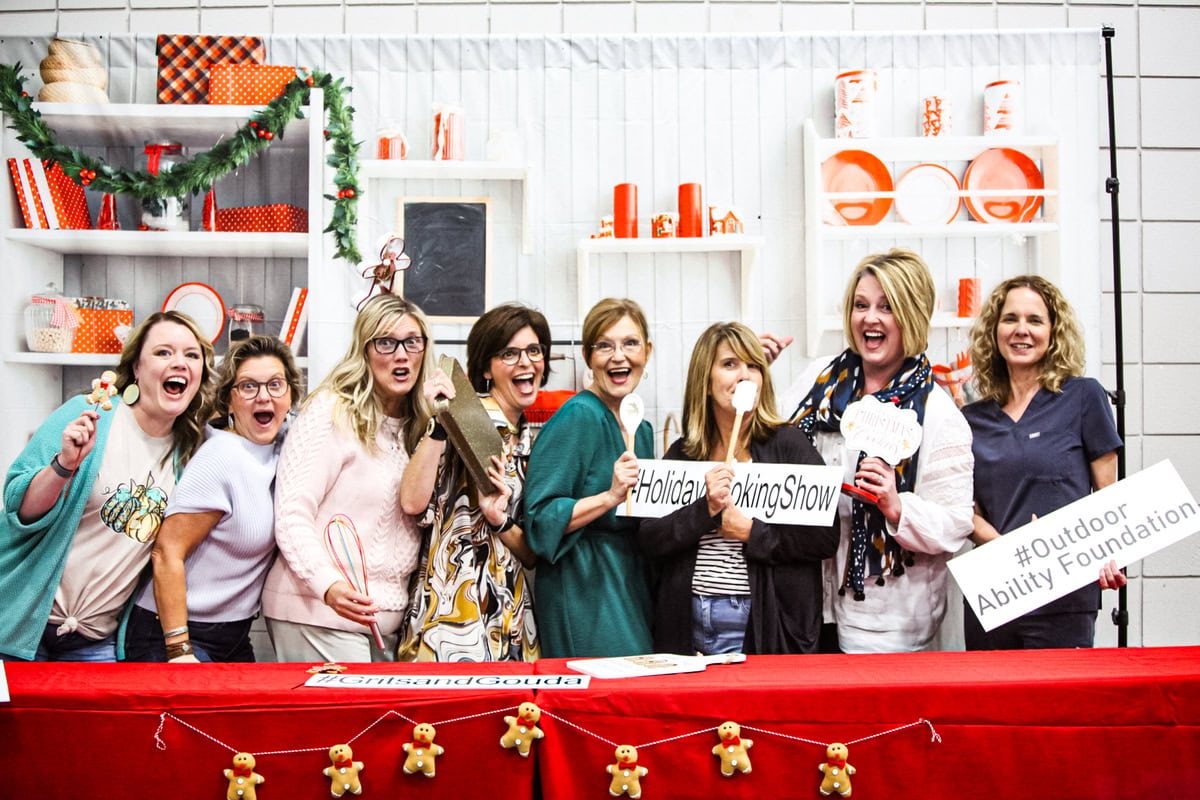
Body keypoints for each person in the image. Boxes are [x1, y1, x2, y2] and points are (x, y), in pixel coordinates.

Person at [783, 248, 974, 653]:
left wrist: (897, 506)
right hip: (805, 601)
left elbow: (955, 524)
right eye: (861, 305)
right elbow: (772, 448)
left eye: (887, 307)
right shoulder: (816, 381)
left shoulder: (938, 415)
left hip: (885, 622)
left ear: (912, 314)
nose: (870, 318)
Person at [0, 311, 215, 662]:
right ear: (136, 368)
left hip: (95, 640)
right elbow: (18, 508)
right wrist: (63, 465)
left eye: (191, 355)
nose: (179, 362)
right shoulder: (89, 413)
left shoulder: (192, 450)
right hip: (21, 624)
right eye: (163, 352)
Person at [638, 322, 839, 655]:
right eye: (730, 364)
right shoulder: (684, 453)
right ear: (705, 381)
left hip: (763, 626)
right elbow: (649, 538)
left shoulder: (788, 444)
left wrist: (751, 532)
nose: (745, 375)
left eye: (754, 366)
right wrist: (704, 510)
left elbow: (825, 537)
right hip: (689, 627)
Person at [263, 294, 434, 662]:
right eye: (385, 343)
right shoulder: (332, 411)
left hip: (385, 623)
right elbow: (291, 514)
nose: (401, 355)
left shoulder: (418, 428)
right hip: (317, 612)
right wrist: (327, 585)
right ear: (364, 350)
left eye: (412, 342)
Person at [962, 275, 1125, 649]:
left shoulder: (1084, 397)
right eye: (1010, 319)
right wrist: (1015, 549)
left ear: (1054, 333)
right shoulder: (972, 419)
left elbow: (1109, 498)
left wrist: (1110, 553)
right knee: (990, 691)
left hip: (1062, 595)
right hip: (993, 593)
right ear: (994, 331)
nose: (1021, 330)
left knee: (1061, 690)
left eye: (1035, 320)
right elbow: (965, 511)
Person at [124, 335, 303, 662]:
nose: (264, 396)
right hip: (173, 632)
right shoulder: (220, 457)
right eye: (248, 387)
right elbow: (167, 552)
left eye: (275, 385)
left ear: (290, 395)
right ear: (229, 401)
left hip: (232, 635)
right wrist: (179, 649)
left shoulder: (282, 447)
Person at [398, 303, 548, 661]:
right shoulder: (463, 419)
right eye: (509, 354)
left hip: (510, 613)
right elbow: (412, 501)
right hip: (453, 611)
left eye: (534, 350)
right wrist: (441, 421)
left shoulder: (530, 440)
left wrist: (500, 520)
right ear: (485, 368)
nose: (526, 362)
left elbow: (530, 554)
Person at [524, 297, 655, 657]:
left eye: (630, 343)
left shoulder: (642, 429)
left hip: (630, 582)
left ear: (648, 351)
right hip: (585, 586)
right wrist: (609, 497)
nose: (618, 357)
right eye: (605, 346)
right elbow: (539, 520)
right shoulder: (578, 416)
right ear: (587, 356)